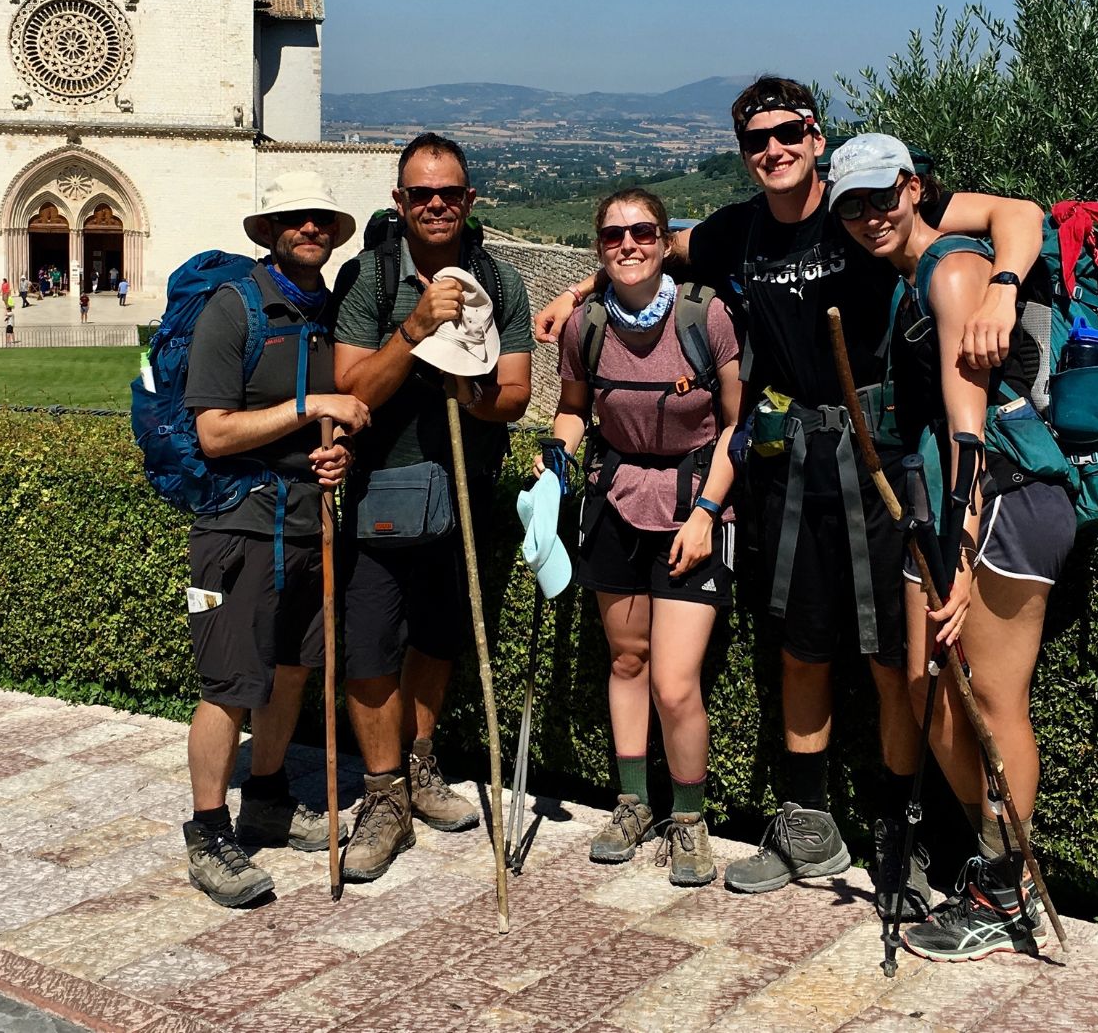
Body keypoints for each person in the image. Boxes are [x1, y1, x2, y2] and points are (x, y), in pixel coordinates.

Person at [532, 76, 1043, 909]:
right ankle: (808, 820)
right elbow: (650, 248)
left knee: (891, 662)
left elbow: (1020, 215)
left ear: (815, 136)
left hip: (887, 466)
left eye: (787, 133)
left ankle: (900, 833)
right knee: (800, 649)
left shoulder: (863, 205)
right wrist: (580, 289)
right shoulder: (737, 231)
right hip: (792, 465)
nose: (772, 149)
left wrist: (1003, 285)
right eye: (755, 140)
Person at [828, 133, 1075, 959]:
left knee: (993, 701)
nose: (870, 216)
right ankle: (995, 865)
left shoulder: (953, 269)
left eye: (881, 196)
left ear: (913, 187)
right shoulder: (921, 266)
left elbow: (967, 432)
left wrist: (960, 559)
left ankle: (1005, 890)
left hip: (997, 496)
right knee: (929, 692)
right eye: (852, 205)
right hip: (948, 504)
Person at [330, 132, 533, 882]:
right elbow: (352, 392)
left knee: (440, 640)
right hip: (384, 490)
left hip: (467, 496)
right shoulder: (371, 281)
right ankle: (382, 796)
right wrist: (416, 332)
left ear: (470, 198)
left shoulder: (500, 282)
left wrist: (470, 390)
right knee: (374, 650)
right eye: (422, 194)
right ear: (401, 202)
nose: (437, 204)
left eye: (450, 192)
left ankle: (419, 768)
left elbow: (513, 396)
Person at [178, 171, 372, 908]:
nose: (310, 228)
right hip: (234, 523)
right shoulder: (234, 309)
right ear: (270, 229)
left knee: (293, 669)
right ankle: (207, 830)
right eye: (295, 218)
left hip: (307, 520)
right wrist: (310, 404)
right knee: (230, 683)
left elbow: (329, 423)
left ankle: (265, 796)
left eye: (321, 218)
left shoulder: (325, 312)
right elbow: (213, 429)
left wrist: (334, 451)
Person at [544, 186, 741, 886]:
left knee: (674, 677)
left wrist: (708, 512)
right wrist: (553, 463)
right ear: (598, 247)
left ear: (664, 241)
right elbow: (572, 409)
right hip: (616, 501)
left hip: (694, 502)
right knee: (626, 661)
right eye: (613, 235)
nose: (629, 245)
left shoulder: (705, 316)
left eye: (643, 232)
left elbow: (735, 424)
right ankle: (633, 801)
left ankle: (688, 816)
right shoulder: (586, 326)